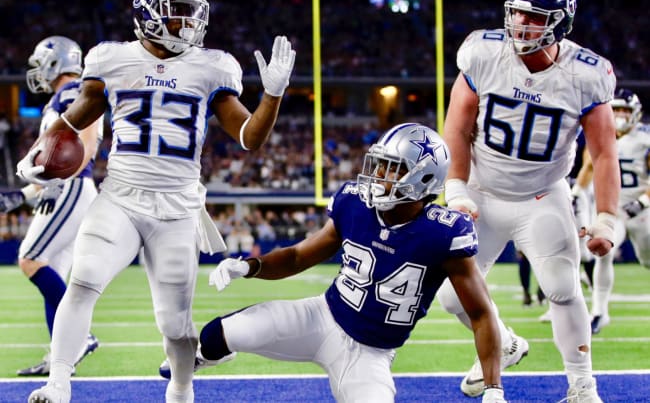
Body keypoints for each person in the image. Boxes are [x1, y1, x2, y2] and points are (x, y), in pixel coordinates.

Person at [21, 0, 295, 403]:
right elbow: (73, 118)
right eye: (177, 13)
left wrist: (272, 96)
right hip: (121, 198)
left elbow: (250, 138)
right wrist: (39, 151)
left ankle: (181, 390)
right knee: (84, 279)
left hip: (177, 208)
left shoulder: (211, 66)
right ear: (147, 15)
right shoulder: (112, 60)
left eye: (192, 13)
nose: (188, 23)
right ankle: (58, 383)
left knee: (174, 322)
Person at [160, 123, 507, 403]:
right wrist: (250, 266)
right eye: (379, 164)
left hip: (370, 354)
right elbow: (299, 255)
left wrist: (493, 388)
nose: (378, 174)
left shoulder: (443, 232)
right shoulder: (354, 202)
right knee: (215, 334)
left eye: (391, 168)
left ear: (422, 180)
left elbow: (480, 313)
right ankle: (209, 355)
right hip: (321, 316)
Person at [440, 0, 619, 402]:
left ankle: (582, 387)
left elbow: (605, 151)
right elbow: (457, 125)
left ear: (559, 22)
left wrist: (608, 218)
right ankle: (505, 342)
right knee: (450, 296)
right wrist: (457, 187)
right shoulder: (484, 53)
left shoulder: (585, 73)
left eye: (534, 17)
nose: (521, 24)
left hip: (542, 194)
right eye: (517, 13)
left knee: (561, 287)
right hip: (482, 191)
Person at [0, 36, 102, 376]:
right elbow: (54, 160)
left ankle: (81, 338)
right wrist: (24, 195)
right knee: (52, 273)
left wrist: (61, 180)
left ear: (56, 62)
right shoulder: (65, 95)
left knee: (29, 259)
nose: (38, 71)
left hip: (70, 187)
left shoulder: (72, 91)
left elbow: (84, 144)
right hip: (65, 187)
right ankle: (61, 361)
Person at [570, 88, 650, 334]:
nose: (620, 115)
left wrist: (643, 202)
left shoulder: (645, 138)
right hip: (613, 210)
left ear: (636, 113)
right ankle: (599, 312)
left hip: (642, 209)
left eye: (625, 110)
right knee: (602, 250)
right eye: (616, 110)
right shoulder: (600, 134)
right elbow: (589, 168)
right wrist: (576, 194)